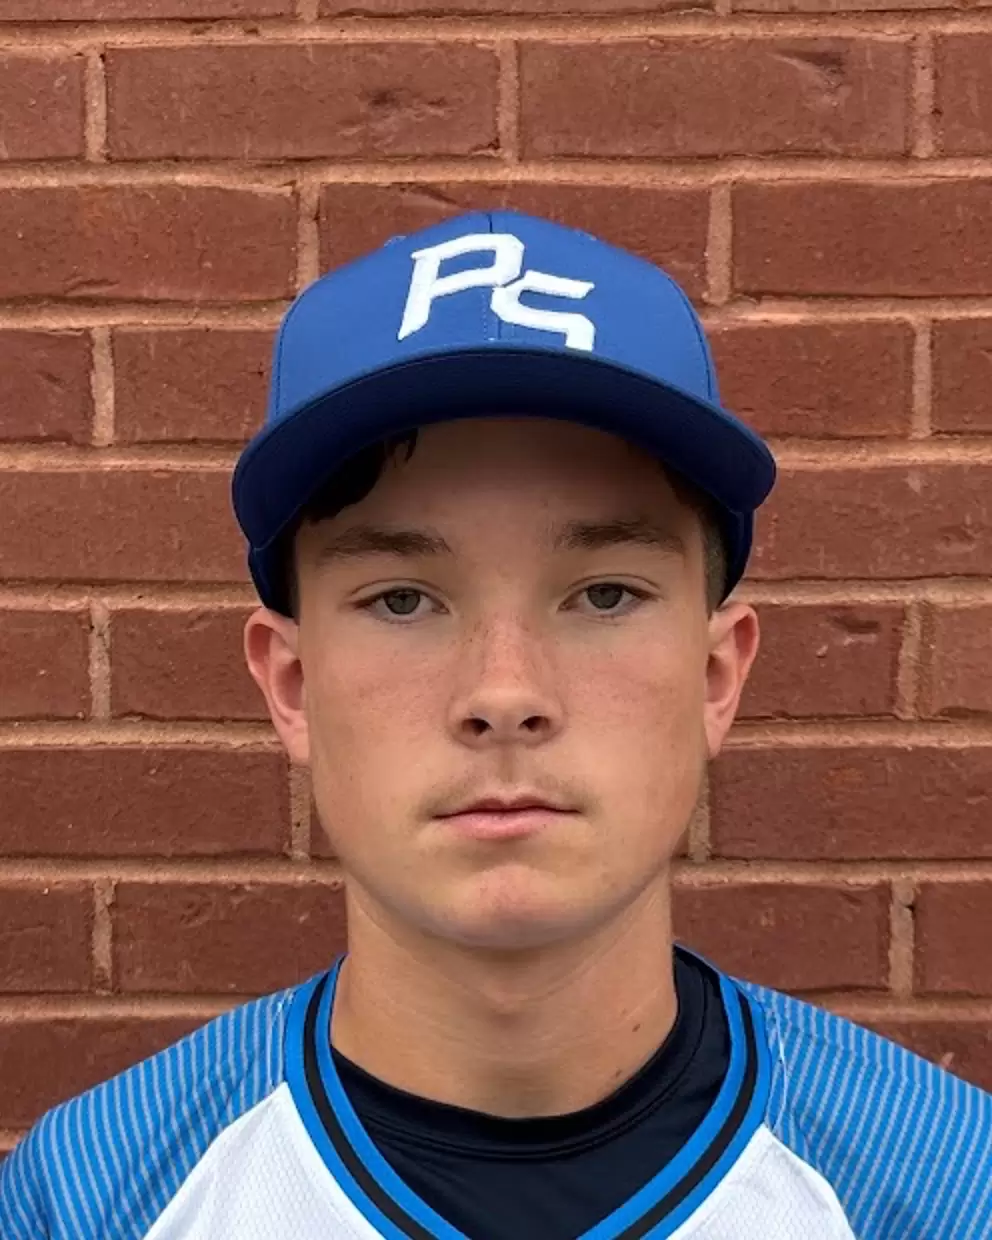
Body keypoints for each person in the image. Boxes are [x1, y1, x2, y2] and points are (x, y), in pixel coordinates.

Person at [1, 210, 989, 1240]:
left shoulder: (949, 1192)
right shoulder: (97, 1200)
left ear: (713, 675)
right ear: (292, 685)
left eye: (603, 594)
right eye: (401, 599)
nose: (504, 691)